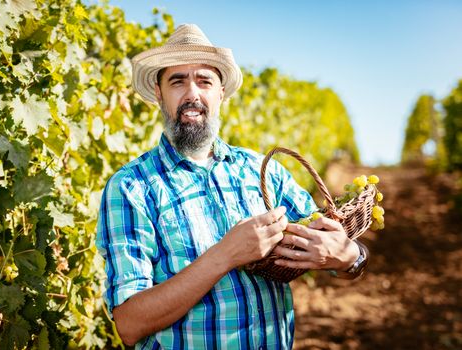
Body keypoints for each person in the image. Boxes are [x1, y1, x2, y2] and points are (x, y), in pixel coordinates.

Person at [96, 24, 369, 349]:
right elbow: (129, 322)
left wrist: (349, 257)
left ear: (220, 92)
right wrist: (224, 255)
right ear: (159, 93)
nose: (192, 94)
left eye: (204, 81)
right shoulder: (131, 188)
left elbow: (331, 246)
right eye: (177, 81)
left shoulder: (261, 170)